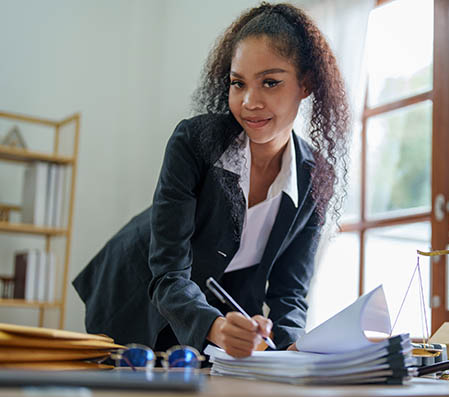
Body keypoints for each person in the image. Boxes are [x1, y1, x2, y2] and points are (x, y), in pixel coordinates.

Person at [73, 2, 350, 358]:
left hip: (217, 301)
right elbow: (169, 272)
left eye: (270, 82)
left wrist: (292, 344)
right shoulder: (193, 142)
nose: (250, 101)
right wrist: (214, 326)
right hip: (141, 287)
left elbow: (289, 292)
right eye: (238, 83)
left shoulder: (315, 177)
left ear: (306, 84)